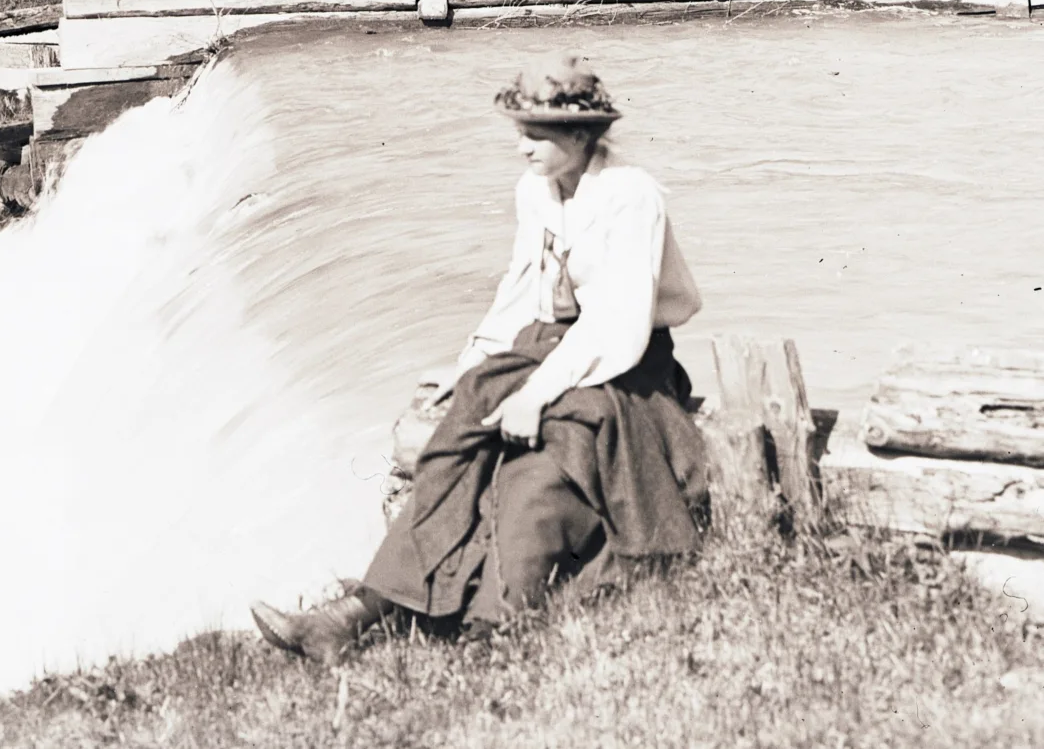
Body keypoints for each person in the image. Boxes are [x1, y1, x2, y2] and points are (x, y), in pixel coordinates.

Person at [252, 55, 710, 662]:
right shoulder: (537, 191)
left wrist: (535, 396)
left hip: (626, 369)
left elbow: (616, 327)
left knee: (541, 468)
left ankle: (490, 630)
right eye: (519, 132)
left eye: (535, 135)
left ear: (579, 135)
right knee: (454, 442)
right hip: (547, 349)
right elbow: (520, 291)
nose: (522, 148)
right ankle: (354, 615)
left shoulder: (630, 196)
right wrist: (472, 361)